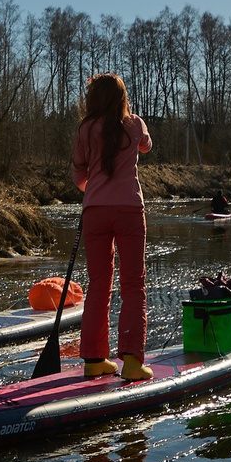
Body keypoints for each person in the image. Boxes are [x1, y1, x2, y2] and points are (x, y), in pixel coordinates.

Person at [71, 73, 155, 380]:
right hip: (130, 209)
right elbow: (146, 147)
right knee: (133, 283)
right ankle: (132, 362)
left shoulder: (84, 129)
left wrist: (93, 190)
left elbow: (78, 174)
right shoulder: (134, 124)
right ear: (122, 98)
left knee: (99, 283)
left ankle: (94, 359)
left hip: (94, 210)